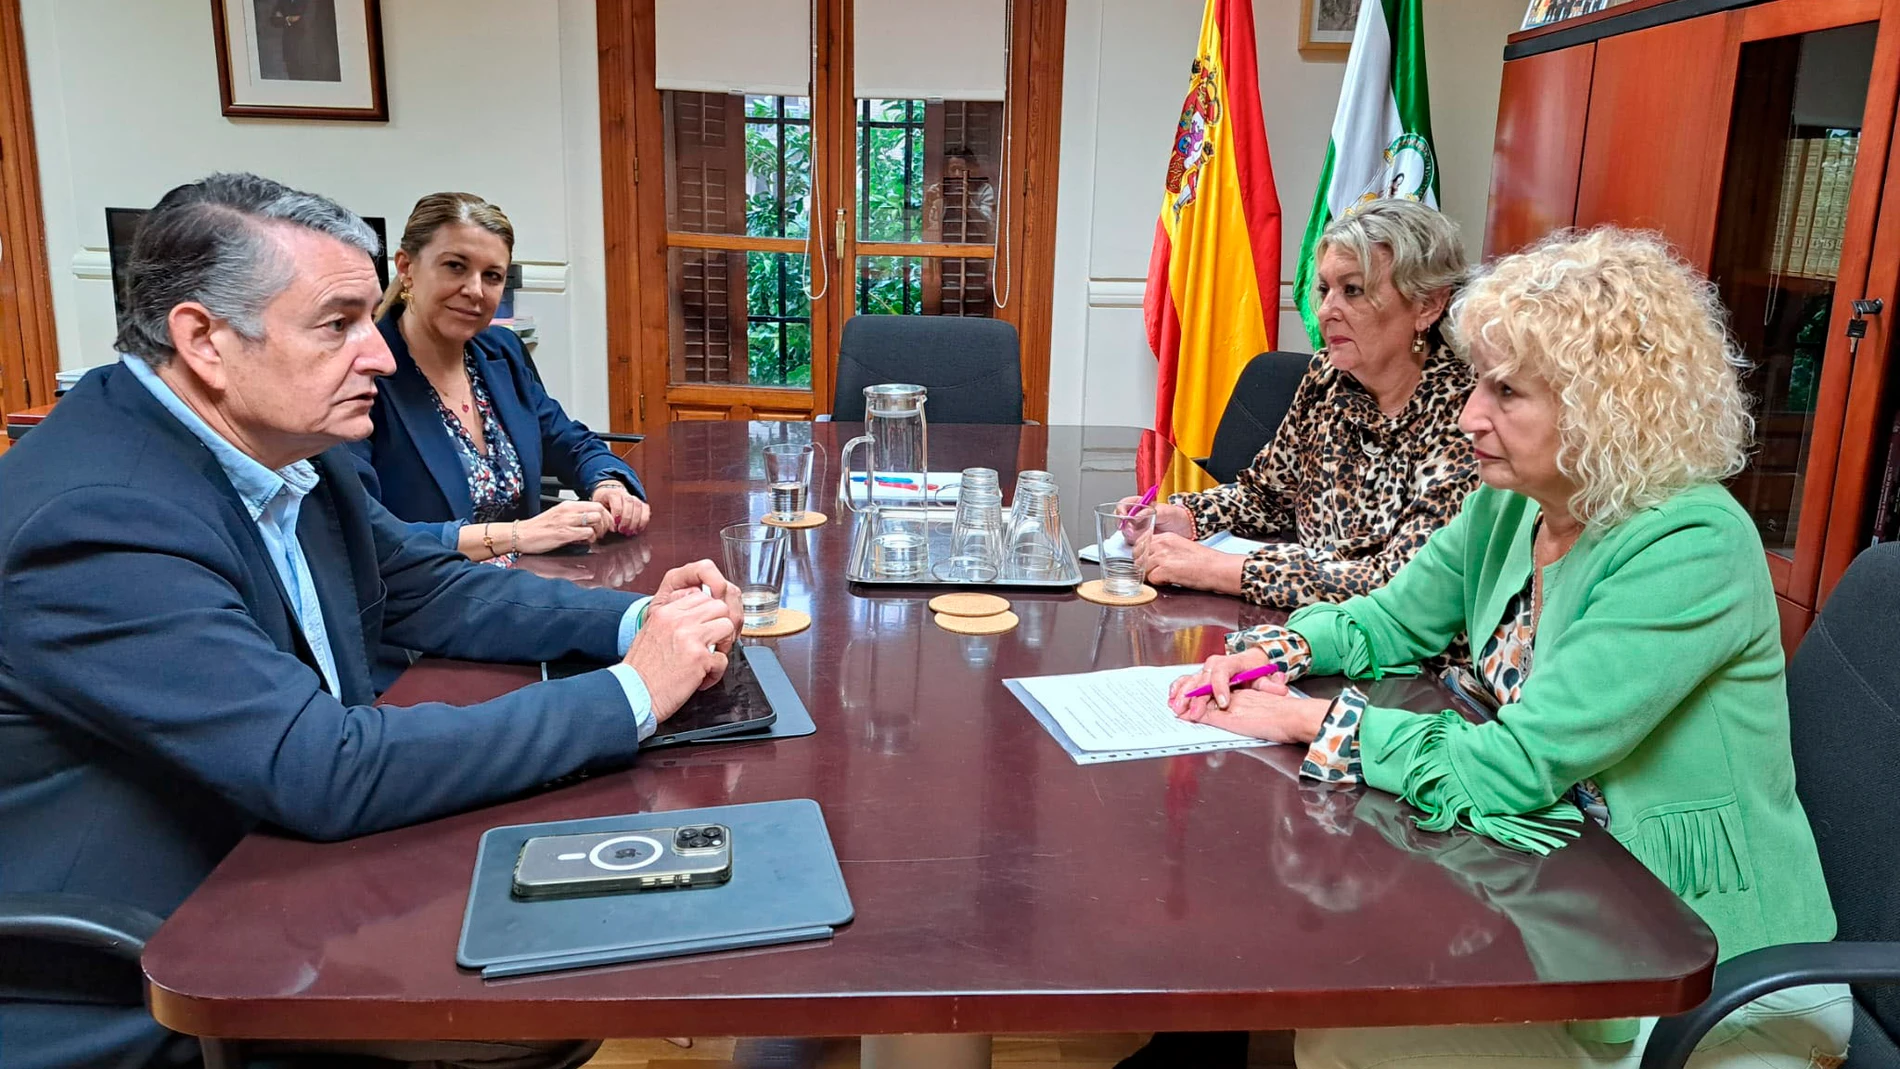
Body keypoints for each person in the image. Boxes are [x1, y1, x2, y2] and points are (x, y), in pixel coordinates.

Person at [0, 174, 742, 1069]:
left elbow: (428, 589)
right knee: (524, 1020)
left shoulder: (288, 445)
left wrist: (639, 619)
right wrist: (633, 692)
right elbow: (319, 764)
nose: (380, 356)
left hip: (285, 864)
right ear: (203, 340)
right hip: (155, 961)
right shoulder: (100, 516)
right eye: (338, 323)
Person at [1167, 228, 1847, 1068]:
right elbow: (1392, 618)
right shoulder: (1516, 500)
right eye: (1479, 380)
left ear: (1607, 406)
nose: (1468, 415)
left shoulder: (1691, 543)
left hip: (1704, 978)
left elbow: (1519, 764)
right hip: (1565, 911)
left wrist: (1312, 722)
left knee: (1349, 1030)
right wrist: (1279, 652)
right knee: (1345, 1005)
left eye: (1507, 390)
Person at [1127, 199, 1479, 610]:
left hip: (1393, 643)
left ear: (1427, 304)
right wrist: (1189, 517)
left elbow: (1404, 584)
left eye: (1353, 290)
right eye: (1325, 289)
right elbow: (1268, 497)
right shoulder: (1326, 379)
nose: (1327, 311)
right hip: (1303, 625)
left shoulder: (1470, 414)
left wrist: (1221, 570)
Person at [352, 191, 648, 564]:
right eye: (455, 266)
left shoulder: (501, 353)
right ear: (406, 268)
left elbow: (569, 442)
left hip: (529, 579)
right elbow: (364, 533)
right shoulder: (363, 374)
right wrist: (519, 534)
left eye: (492, 276)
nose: (475, 290)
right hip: (429, 589)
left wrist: (607, 483)